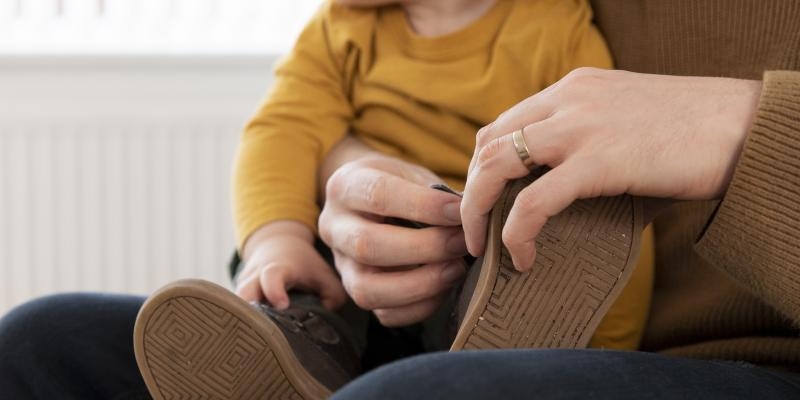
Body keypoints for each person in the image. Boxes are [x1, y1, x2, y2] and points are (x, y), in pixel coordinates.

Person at [132, 0, 655, 398]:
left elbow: (607, 191)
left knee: (515, 254)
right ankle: (295, 349)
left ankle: (503, 342)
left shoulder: (555, 28)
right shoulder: (344, 30)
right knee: (295, 272)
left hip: (470, 256)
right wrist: (275, 240)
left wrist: (603, 346)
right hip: (349, 272)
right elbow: (281, 131)